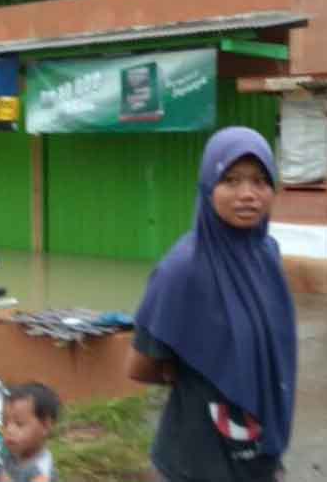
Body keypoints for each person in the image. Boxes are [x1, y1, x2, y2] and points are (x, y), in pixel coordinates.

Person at [126, 126, 297, 482]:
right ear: (208, 186)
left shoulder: (267, 254)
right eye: (231, 181)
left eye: (260, 181)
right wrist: (197, 369)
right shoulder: (182, 269)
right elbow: (140, 367)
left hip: (258, 456)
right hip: (197, 459)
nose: (248, 194)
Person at [0, 382, 61, 482]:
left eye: (19, 424)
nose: (9, 430)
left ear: (45, 426)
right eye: (5, 423)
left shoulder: (41, 470)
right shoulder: (10, 456)